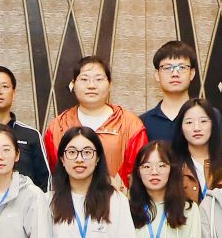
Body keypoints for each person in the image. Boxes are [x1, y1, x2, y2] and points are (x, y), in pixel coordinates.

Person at [41, 55, 146, 185]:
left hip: (117, 196)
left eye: (99, 79)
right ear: (73, 84)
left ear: (110, 84)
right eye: (84, 79)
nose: (91, 85)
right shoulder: (58, 126)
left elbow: (139, 172)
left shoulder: (130, 124)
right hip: (70, 196)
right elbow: (54, 172)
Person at [138, 40, 210, 149]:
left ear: (192, 73)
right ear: (157, 74)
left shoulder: (210, 116)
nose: (175, 74)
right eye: (167, 68)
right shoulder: (142, 123)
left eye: (182, 67)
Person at [176, 97, 222, 202]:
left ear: (213, 125)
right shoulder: (173, 165)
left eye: (203, 121)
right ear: (181, 128)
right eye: (189, 122)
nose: (197, 128)